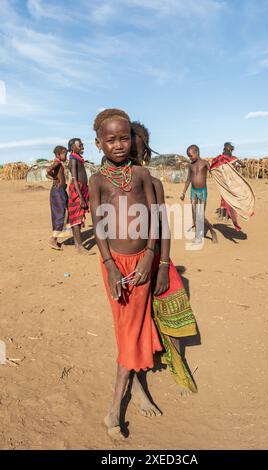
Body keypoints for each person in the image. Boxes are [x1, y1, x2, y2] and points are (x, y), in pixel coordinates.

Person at [89, 109, 162, 440]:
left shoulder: (141, 174)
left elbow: (155, 220)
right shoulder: (98, 180)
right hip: (116, 266)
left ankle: (115, 409)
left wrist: (149, 256)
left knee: (134, 328)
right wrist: (109, 266)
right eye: (110, 139)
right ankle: (117, 406)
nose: (118, 145)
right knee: (127, 329)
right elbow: (99, 227)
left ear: (132, 139)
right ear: (98, 143)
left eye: (124, 138)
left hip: (141, 263)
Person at [131, 122, 198, 394]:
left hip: (157, 257)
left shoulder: (154, 183)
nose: (132, 157)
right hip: (129, 263)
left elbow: (163, 227)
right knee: (135, 321)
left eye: (137, 150)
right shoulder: (112, 185)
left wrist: (163, 265)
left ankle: (177, 361)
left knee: (172, 304)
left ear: (145, 152)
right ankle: (135, 379)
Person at [210, 142, 252, 232]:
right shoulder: (233, 159)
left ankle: (223, 216)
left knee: (224, 198)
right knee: (232, 199)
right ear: (229, 149)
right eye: (230, 150)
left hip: (224, 183)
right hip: (232, 184)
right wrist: (236, 165)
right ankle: (231, 218)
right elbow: (243, 165)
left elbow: (213, 168)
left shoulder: (219, 159)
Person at [180, 145, 218, 243]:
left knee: (200, 215)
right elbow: (188, 179)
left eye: (191, 155)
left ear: (197, 153)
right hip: (193, 191)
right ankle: (198, 236)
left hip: (202, 192)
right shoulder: (190, 165)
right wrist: (183, 192)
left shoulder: (205, 163)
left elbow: (213, 172)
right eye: (188, 156)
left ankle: (212, 231)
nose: (190, 158)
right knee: (194, 215)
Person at [67, 138, 89, 253]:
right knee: (77, 218)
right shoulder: (73, 160)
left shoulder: (77, 158)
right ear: (72, 148)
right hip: (77, 190)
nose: (82, 147)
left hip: (82, 188)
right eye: (79, 145)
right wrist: (81, 198)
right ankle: (80, 246)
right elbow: (75, 179)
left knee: (78, 217)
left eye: (82, 145)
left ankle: (77, 244)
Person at [46, 145, 70, 250]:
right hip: (57, 191)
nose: (66, 155)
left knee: (63, 212)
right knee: (60, 214)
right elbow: (48, 170)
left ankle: (55, 239)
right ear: (58, 154)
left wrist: (54, 176)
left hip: (60, 190)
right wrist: (54, 177)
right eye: (65, 153)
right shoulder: (57, 162)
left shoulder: (60, 163)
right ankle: (53, 239)